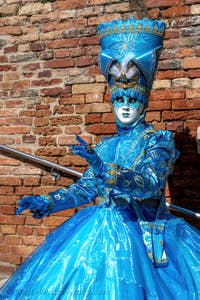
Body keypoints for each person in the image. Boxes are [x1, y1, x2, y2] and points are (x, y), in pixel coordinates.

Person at [0, 18, 199, 300]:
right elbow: (85, 190)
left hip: (143, 236)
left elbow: (148, 183)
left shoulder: (158, 141)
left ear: (144, 103)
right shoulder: (106, 146)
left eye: (132, 100)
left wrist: (106, 170)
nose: (126, 107)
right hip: (96, 233)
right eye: (119, 100)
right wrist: (48, 202)